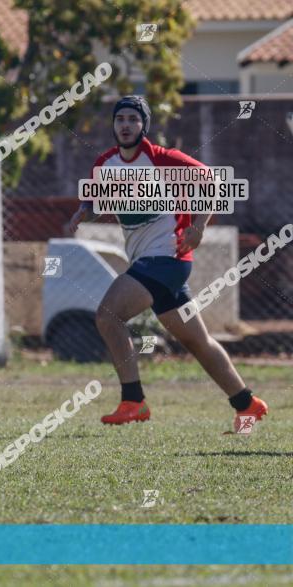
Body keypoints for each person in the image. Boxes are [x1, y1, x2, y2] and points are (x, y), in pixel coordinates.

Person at [64, 95, 268, 428]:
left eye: (133, 119)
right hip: (152, 262)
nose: (126, 125)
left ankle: (133, 400)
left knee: (108, 316)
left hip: (167, 259)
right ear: (113, 125)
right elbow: (94, 195)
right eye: (120, 119)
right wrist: (82, 211)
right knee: (197, 342)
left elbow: (213, 183)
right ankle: (247, 403)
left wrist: (199, 226)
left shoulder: (163, 159)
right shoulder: (105, 164)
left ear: (144, 125)